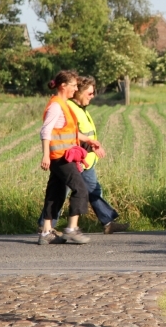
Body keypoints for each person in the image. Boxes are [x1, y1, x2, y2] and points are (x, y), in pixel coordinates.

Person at [37, 76, 129, 235]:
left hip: (82, 158)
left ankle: (106, 221)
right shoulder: (67, 107)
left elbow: (75, 133)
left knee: (87, 190)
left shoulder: (79, 108)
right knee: (68, 191)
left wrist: (90, 143)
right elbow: (58, 132)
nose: (93, 96)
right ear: (77, 91)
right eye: (90, 93)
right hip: (69, 158)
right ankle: (58, 227)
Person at [38, 70, 101, 245]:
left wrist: (88, 140)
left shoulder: (63, 104)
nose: (75, 88)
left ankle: (46, 232)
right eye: (73, 85)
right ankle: (72, 229)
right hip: (61, 158)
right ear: (63, 86)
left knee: (55, 193)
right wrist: (46, 156)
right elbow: (45, 130)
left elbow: (69, 131)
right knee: (80, 189)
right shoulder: (56, 105)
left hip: (62, 156)